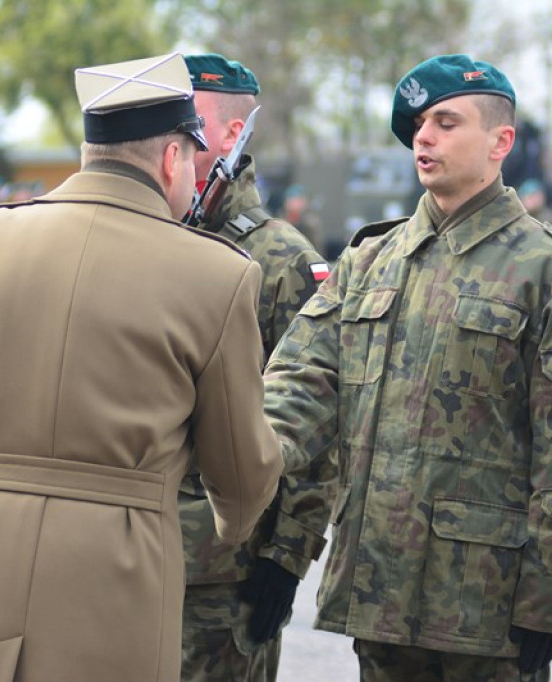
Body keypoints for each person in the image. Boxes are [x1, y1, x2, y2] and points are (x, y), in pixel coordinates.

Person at [0, 53, 282, 682]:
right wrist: (232, 523)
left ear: (91, 153)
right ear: (174, 159)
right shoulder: (221, 273)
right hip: (120, 571)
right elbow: (241, 468)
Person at [264, 54, 552, 681]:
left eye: (445, 121)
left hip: (484, 611)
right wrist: (242, 460)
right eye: (416, 126)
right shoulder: (371, 261)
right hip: (377, 589)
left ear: (501, 142)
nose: (423, 137)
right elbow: (300, 383)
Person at [180, 53, 334, 682]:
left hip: (224, 573)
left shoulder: (283, 261)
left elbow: (319, 422)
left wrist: (286, 559)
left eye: (184, 117)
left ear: (229, 134)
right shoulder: (141, 239)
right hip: (128, 555)